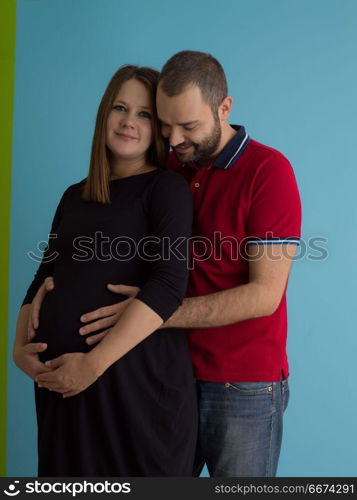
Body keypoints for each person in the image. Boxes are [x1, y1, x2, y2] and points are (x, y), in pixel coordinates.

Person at [27, 51, 302, 477]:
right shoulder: (171, 166)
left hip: (241, 383)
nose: (173, 140)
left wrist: (154, 313)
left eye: (188, 126)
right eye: (166, 125)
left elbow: (264, 296)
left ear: (224, 108)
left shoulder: (269, 171)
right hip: (171, 373)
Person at [13, 65, 198, 477]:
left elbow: (168, 286)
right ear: (104, 115)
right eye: (120, 107)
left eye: (144, 113)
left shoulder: (165, 189)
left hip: (134, 390)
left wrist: (92, 365)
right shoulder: (73, 196)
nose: (129, 121)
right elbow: (41, 276)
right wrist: (17, 349)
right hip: (64, 392)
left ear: (160, 128)